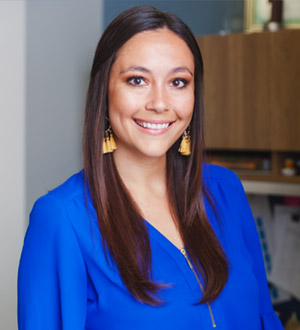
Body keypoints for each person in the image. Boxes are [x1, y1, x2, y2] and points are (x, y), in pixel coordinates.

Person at [18, 6, 284, 330]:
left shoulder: (226, 190)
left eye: (178, 82)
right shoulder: (62, 219)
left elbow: (263, 318)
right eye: (138, 80)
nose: (159, 103)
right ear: (105, 91)